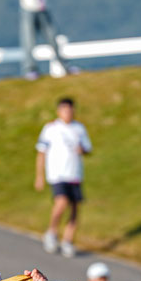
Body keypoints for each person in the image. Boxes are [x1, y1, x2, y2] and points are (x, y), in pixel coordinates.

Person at [36, 97, 91, 258]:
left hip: (74, 174)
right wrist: (39, 176)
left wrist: (83, 150)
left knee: (74, 209)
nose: (68, 112)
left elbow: (87, 148)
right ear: (59, 111)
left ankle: (68, 240)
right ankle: (52, 232)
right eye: (64, 109)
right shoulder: (51, 128)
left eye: (70, 109)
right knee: (62, 202)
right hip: (57, 173)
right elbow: (41, 152)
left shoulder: (79, 128)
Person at [1, 0, 68, 79]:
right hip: (27, 8)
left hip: (43, 8)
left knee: (53, 38)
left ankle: (64, 66)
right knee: (29, 41)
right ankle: (30, 70)